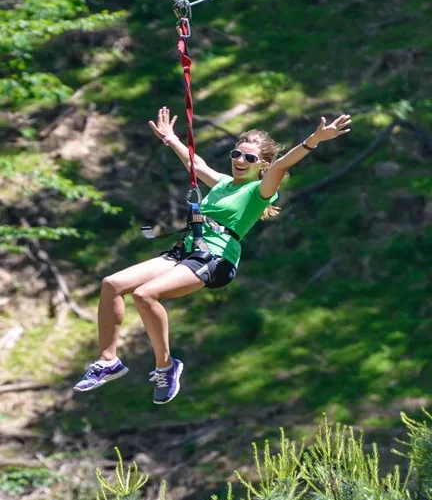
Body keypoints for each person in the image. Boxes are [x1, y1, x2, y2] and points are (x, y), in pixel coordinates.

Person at [73, 107, 351, 404]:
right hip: (188, 250)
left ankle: (166, 367)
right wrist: (171, 138)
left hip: (216, 259)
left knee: (145, 295)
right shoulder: (221, 184)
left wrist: (314, 140)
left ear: (262, 166)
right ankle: (108, 361)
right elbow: (195, 162)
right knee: (112, 284)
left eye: (249, 158)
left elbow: (282, 165)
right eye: (236, 154)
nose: (240, 161)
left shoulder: (260, 190)